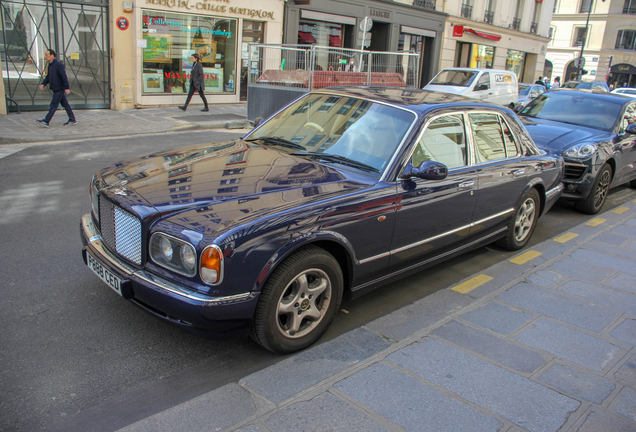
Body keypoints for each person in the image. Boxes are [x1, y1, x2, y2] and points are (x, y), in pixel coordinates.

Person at [36, 49, 76, 127]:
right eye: (45, 55)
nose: (45, 56)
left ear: (52, 56)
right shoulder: (50, 65)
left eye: (47, 55)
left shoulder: (58, 65)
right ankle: (72, 119)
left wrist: (67, 87)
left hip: (59, 89)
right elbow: (48, 76)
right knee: (65, 105)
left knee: (53, 105)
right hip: (55, 89)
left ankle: (46, 121)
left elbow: (64, 76)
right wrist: (43, 84)